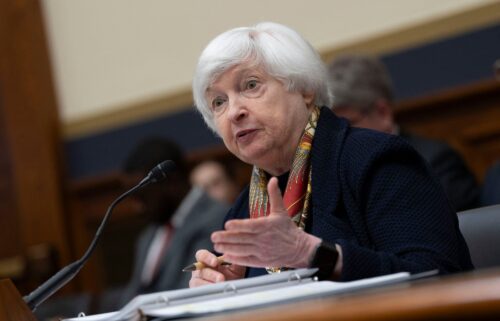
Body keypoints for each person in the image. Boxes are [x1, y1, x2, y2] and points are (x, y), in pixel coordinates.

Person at [188, 22, 473, 287]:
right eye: (218, 102)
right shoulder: (243, 210)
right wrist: (224, 289)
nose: (235, 112)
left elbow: (435, 277)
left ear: (305, 89)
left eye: (251, 85)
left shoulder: (376, 160)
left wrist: (313, 254)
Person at [327, 54, 480, 212]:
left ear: (383, 113)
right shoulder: (335, 175)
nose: (339, 137)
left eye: (347, 124)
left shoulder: (436, 162)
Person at [119, 137, 229, 304]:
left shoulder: (216, 218)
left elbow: (190, 293)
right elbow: (130, 297)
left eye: (142, 197)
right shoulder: (148, 236)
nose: (138, 208)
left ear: (172, 181)